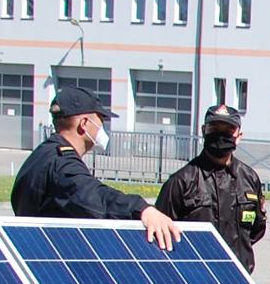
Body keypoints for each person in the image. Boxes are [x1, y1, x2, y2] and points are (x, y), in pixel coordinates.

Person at [11, 85, 180, 250]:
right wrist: (141, 208)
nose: (102, 127)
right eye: (101, 120)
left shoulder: (42, 154)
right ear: (84, 123)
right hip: (49, 256)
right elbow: (92, 196)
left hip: (34, 249)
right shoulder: (63, 163)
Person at [155, 103, 267, 272]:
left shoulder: (249, 178)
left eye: (228, 130)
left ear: (239, 135)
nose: (220, 135)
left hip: (238, 277)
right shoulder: (181, 181)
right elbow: (160, 231)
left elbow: (256, 229)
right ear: (203, 130)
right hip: (194, 277)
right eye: (214, 128)